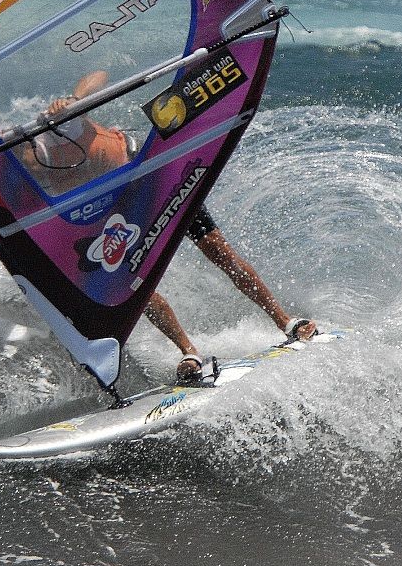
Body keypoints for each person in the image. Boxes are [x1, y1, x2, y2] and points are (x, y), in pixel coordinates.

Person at [19, 71, 317, 383]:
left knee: (217, 250)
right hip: (120, 207)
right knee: (130, 280)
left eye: (26, 159)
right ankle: (189, 352)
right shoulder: (28, 187)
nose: (29, 167)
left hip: (152, 174)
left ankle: (286, 321)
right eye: (23, 167)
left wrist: (75, 100)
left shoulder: (56, 127)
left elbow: (99, 75)